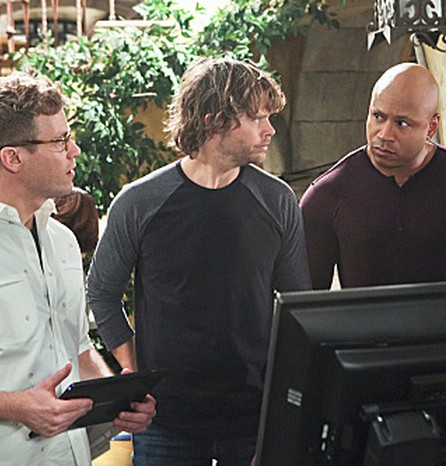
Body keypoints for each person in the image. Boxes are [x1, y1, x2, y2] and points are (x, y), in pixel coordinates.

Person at [86, 57, 311, 465]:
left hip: (253, 421)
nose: (270, 129)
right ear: (213, 122)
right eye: (257, 118)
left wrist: (281, 416)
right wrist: (137, 374)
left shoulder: (277, 200)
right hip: (165, 424)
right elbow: (101, 291)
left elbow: (298, 309)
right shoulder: (139, 202)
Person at [0, 72, 155, 466]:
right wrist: (18, 407)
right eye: (60, 141)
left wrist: (119, 400)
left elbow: (77, 349)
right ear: (12, 158)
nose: (75, 151)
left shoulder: (63, 241)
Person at [300, 63, 446, 289]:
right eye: (378, 116)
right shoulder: (326, 195)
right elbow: (305, 300)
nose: (384, 134)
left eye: (402, 123)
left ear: (431, 127)